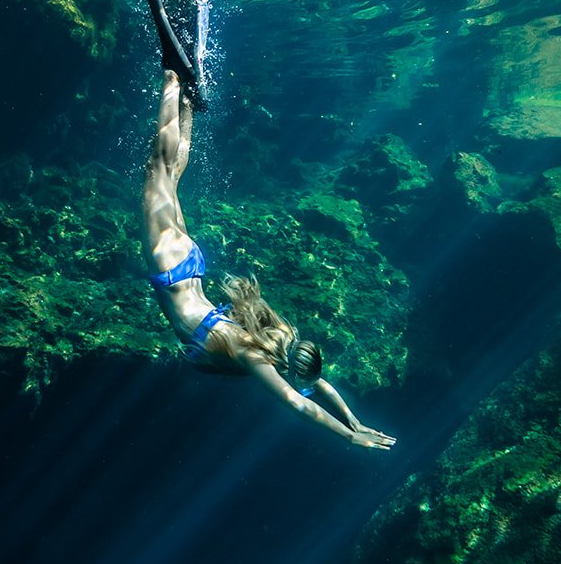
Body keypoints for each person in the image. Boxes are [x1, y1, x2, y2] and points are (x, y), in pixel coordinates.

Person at [141, 65, 396, 450]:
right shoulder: (254, 356)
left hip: (187, 265)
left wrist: (353, 419)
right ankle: (173, 81)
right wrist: (348, 433)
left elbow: (315, 382)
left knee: (170, 176)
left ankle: (187, 99)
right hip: (173, 270)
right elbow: (297, 401)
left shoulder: (283, 339)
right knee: (158, 170)